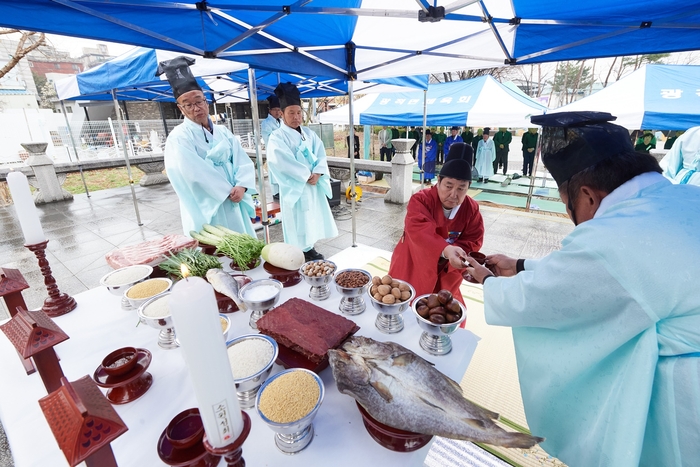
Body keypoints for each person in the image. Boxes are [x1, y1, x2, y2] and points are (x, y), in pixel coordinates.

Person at [464, 111, 700, 467]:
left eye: (566, 204)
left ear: (587, 195)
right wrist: (521, 266)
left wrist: (488, 281)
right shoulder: (687, 198)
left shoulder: (613, 239)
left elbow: (547, 298)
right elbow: (604, 281)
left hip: (682, 401)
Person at [159, 56, 257, 237]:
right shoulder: (178, 138)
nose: (196, 108)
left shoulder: (223, 131)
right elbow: (192, 173)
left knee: (242, 243)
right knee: (218, 247)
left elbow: (241, 159)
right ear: (181, 109)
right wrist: (225, 191)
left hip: (236, 195)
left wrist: (242, 185)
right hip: (210, 202)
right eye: (188, 105)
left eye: (198, 101)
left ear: (206, 102)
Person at [389, 142, 483, 308]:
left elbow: (474, 239)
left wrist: (458, 254)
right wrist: (445, 249)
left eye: (461, 188)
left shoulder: (471, 208)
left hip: (449, 269)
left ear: (469, 187)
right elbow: (419, 231)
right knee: (403, 302)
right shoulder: (421, 200)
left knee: (443, 310)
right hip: (413, 261)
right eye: (449, 186)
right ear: (438, 181)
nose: (454, 194)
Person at [266, 82, 338, 261]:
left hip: (312, 184)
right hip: (296, 186)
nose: (296, 117)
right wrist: (305, 175)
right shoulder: (277, 136)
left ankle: (310, 247)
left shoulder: (308, 133)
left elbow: (321, 153)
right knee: (297, 220)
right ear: (282, 114)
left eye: (299, 112)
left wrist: (319, 172)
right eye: (291, 113)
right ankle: (299, 251)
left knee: (311, 217)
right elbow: (280, 160)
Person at [261, 94, 283, 200]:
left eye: (279, 110)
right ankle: (275, 192)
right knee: (275, 175)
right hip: (273, 152)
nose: (278, 112)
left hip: (283, 152)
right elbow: (269, 139)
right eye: (275, 110)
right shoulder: (266, 123)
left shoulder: (281, 122)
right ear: (270, 110)